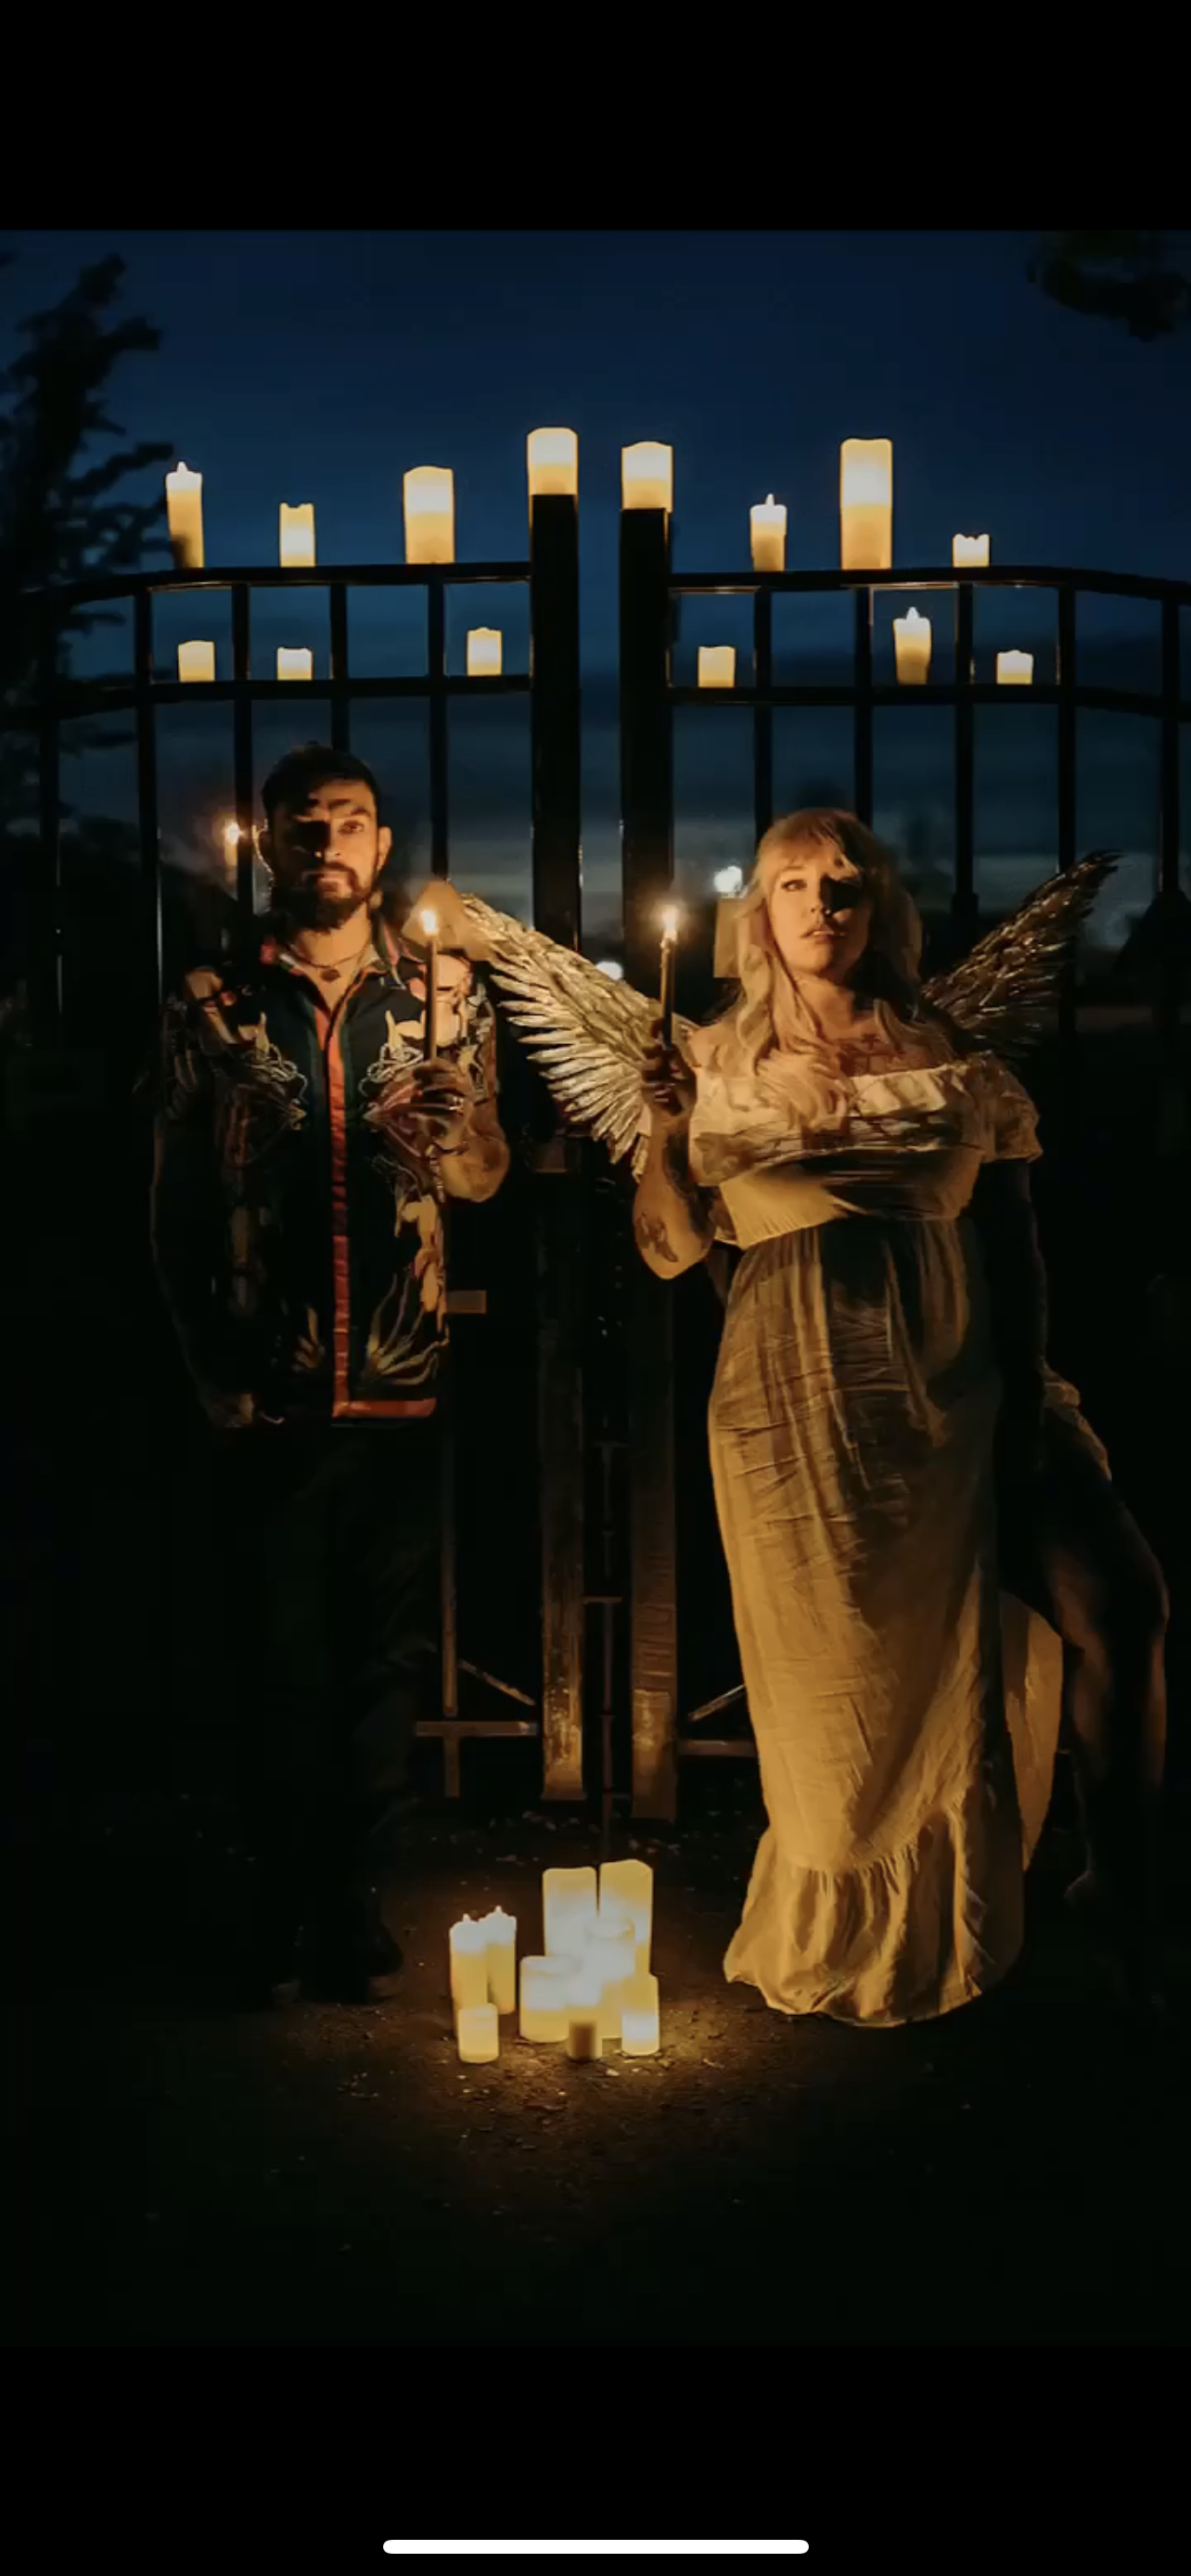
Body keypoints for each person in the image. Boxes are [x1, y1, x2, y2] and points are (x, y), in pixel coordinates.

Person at [633, 809, 1168, 2027]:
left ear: (880, 906)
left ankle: (1124, 1885)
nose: (823, 905)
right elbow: (667, 1248)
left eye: (846, 883)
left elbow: (1016, 1245)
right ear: (759, 914)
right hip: (804, 1416)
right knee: (851, 1696)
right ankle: (872, 1917)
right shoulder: (710, 1061)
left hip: (972, 1384)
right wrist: (665, 1127)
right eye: (795, 884)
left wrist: (1024, 1392)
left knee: (1123, 1604)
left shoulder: (949, 1053)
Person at [149, 744, 509, 2005]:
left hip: (402, 1378)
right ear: (271, 843)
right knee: (276, 1656)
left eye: (350, 822)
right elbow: (172, 1199)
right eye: (305, 825)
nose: (328, 843)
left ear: (381, 844)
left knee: (382, 1665)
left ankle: (350, 1901)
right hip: (272, 1385)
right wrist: (204, 1363)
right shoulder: (214, 1001)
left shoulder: (443, 996)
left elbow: (483, 1178)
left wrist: (463, 1136)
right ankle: (275, 1899)